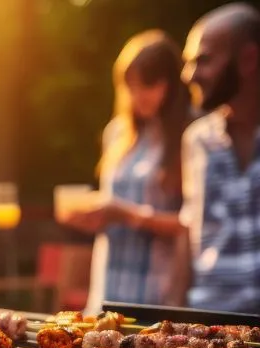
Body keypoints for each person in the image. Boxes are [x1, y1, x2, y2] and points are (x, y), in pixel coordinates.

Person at [59, 30, 191, 312]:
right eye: (130, 86)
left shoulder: (189, 134)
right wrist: (89, 215)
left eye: (148, 85)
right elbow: (108, 203)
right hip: (109, 286)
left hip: (159, 292)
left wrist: (130, 215)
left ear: (171, 82)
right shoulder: (117, 133)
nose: (137, 95)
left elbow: (194, 224)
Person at [181, 2, 260, 313]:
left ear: (248, 59)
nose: (188, 75)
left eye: (203, 60)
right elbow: (189, 235)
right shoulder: (196, 140)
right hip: (213, 326)